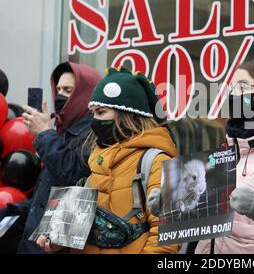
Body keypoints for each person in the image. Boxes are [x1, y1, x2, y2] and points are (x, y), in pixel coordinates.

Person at [148, 58, 254, 254]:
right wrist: (170, 207)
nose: (233, 94)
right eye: (231, 88)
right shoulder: (226, 151)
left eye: (242, 87)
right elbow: (202, 217)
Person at [36, 66, 180, 254]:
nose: (95, 121)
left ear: (127, 115)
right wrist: (59, 246)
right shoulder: (94, 163)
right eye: (93, 113)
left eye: (101, 113)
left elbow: (166, 239)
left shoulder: (156, 161)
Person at [0, 62, 102, 254]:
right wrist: (10, 213)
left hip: (56, 246)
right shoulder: (62, 132)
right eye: (58, 89)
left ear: (85, 94)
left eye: (68, 90)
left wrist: (44, 134)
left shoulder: (95, 134)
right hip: (35, 243)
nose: (60, 95)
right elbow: (44, 197)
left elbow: (75, 178)